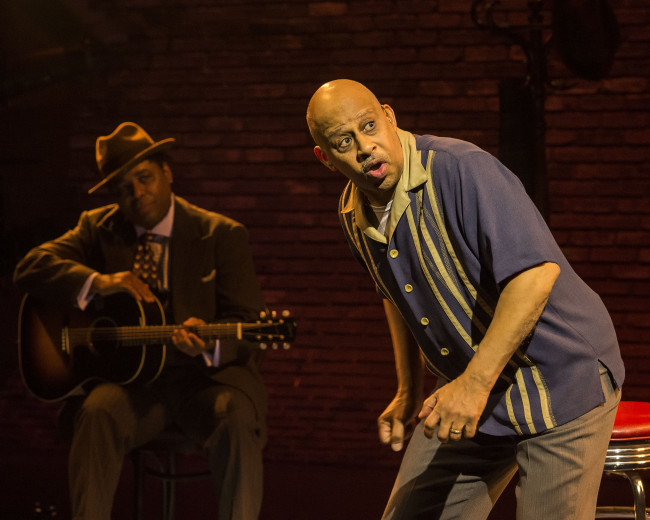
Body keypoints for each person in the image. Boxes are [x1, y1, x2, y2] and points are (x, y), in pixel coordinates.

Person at [306, 79, 624, 520]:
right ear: (325, 158)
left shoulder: (461, 169)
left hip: (558, 377)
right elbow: (395, 293)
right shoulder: (353, 212)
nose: (364, 147)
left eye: (369, 126)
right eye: (344, 141)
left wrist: (474, 384)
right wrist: (409, 389)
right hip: (471, 384)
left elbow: (535, 276)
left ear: (389, 117)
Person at [14, 122, 268, 520]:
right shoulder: (98, 227)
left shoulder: (220, 234)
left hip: (203, 382)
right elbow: (30, 267)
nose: (137, 193)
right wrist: (97, 281)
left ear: (167, 172)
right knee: (95, 413)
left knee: (235, 417)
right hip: (132, 387)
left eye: (145, 178)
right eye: (123, 188)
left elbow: (248, 322)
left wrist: (209, 344)